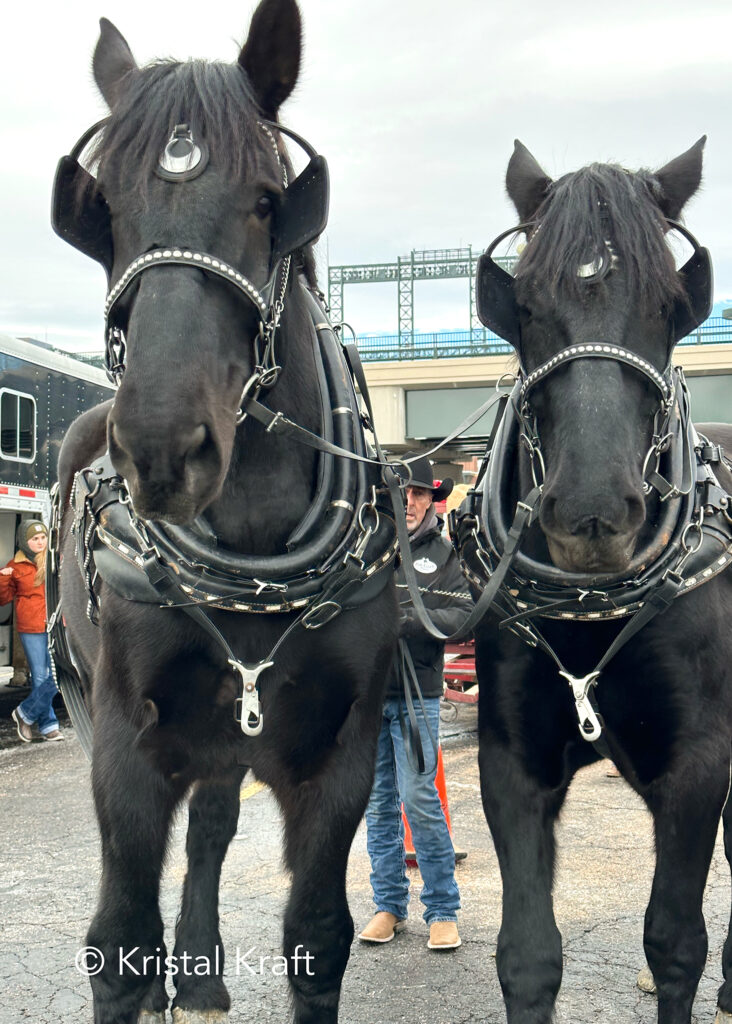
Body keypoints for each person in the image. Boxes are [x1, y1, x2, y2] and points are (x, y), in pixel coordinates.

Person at [359, 454, 472, 951]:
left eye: (418, 493)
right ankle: (388, 905)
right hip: (368, 699)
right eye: (400, 493)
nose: (408, 501)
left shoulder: (443, 555)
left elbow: (464, 612)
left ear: (431, 499)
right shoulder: (363, 550)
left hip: (417, 695)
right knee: (378, 807)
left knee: (419, 800)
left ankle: (443, 908)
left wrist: (408, 621)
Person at [0, 520, 63, 742]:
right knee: (41, 676)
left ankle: (24, 713)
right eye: (34, 539)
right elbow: (3, 599)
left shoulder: (55, 560)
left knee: (61, 674)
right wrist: (3, 578)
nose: (40, 542)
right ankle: (49, 727)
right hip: (32, 629)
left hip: (56, 625)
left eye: (42, 537)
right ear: (24, 542)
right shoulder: (15, 567)